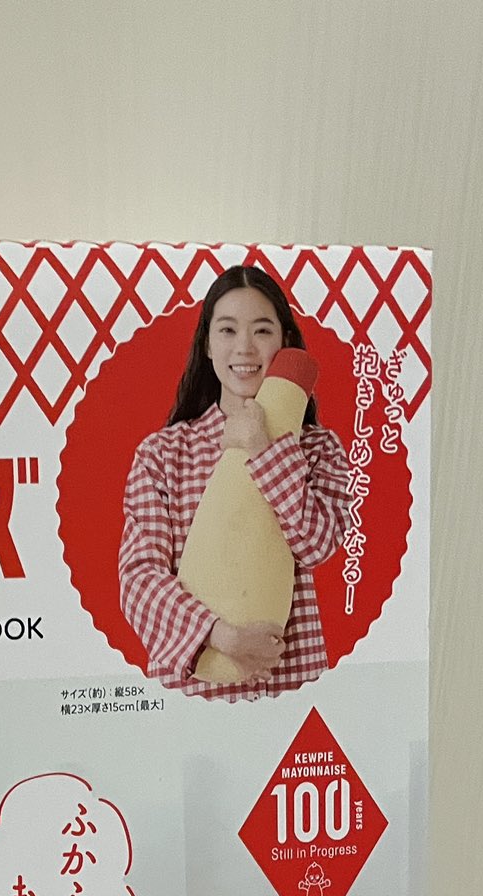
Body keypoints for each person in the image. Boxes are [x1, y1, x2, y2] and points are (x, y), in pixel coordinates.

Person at [117, 267, 352, 701]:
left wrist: (264, 447)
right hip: (193, 695)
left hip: (291, 687)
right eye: (227, 330)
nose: (244, 347)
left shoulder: (319, 447)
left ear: (284, 341)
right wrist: (221, 637)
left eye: (262, 330)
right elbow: (139, 579)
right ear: (207, 344)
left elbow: (317, 545)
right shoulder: (163, 454)